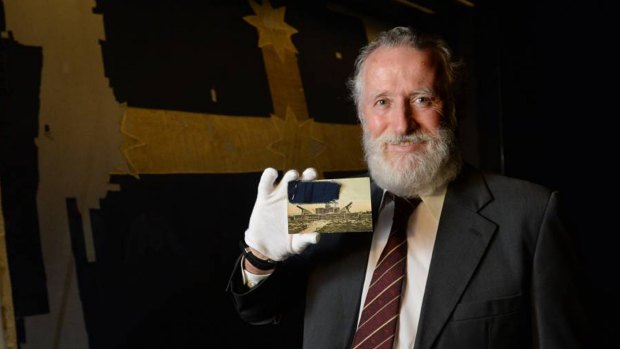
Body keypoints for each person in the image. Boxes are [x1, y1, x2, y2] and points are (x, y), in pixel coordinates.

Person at [227, 26, 587, 348]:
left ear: (453, 109)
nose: (401, 124)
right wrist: (260, 256)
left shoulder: (530, 214)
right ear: (362, 116)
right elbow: (259, 310)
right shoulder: (328, 202)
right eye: (382, 102)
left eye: (421, 99)